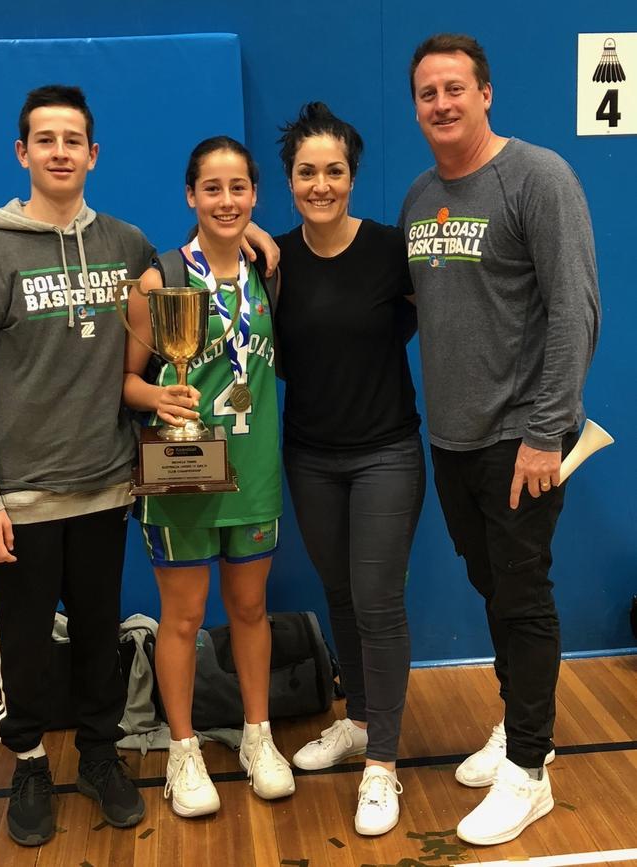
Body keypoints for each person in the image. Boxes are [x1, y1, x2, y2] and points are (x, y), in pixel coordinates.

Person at [401, 34, 600, 845]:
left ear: (485, 94)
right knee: (493, 588)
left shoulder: (537, 176)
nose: (441, 103)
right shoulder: (419, 199)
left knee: (523, 597)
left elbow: (575, 307)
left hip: (524, 438)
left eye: (455, 88)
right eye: (426, 93)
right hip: (452, 440)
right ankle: (520, 724)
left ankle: (530, 769)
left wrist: (547, 431)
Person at [0, 85, 151, 846]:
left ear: (93, 154)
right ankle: (26, 762)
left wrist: (254, 240)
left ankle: (97, 755)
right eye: (44, 139)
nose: (59, 152)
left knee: (96, 634)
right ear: (22, 152)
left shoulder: (123, 243)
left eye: (72, 140)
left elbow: (181, 280)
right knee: (21, 645)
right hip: (18, 497)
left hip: (104, 484)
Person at [122, 136, 294, 818]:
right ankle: (184, 749)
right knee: (185, 616)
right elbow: (126, 382)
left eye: (239, 188)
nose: (226, 200)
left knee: (251, 609)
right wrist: (156, 397)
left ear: (254, 196)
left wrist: (254, 236)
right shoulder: (160, 279)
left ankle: (258, 736)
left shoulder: (271, 271)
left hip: (252, 472)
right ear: (190, 196)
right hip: (183, 474)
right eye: (212, 188)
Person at [275, 103, 425, 836]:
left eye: (334, 170)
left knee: (377, 600)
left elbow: (432, 319)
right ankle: (360, 719)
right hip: (309, 456)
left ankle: (383, 764)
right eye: (308, 171)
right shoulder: (272, 260)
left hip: (387, 452)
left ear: (353, 176)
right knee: (340, 592)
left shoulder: (393, 250)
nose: (321, 183)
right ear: (290, 179)